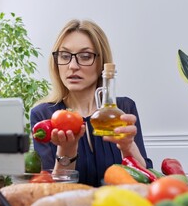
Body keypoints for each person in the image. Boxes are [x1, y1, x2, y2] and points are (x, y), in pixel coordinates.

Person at [30, 19, 153, 187]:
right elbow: (49, 190)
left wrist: (128, 146)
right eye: (65, 56)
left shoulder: (122, 109)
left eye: (85, 56)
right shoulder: (43, 116)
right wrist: (67, 151)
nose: (73, 66)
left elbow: (146, 180)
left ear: (102, 62)